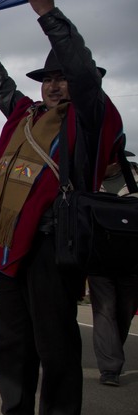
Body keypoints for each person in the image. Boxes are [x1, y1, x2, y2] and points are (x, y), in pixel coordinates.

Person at [0, 0, 124, 415]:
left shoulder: (92, 116)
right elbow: (2, 88)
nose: (54, 83)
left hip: (57, 241)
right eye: (47, 78)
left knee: (55, 341)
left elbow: (79, 69)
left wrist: (47, 14)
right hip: (12, 242)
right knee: (10, 336)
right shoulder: (26, 115)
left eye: (63, 77)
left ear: (81, 80)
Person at [87, 151, 138, 387]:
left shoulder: (135, 177)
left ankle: (112, 353)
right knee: (105, 310)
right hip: (100, 259)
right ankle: (110, 367)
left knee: (124, 312)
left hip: (132, 260)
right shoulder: (88, 181)